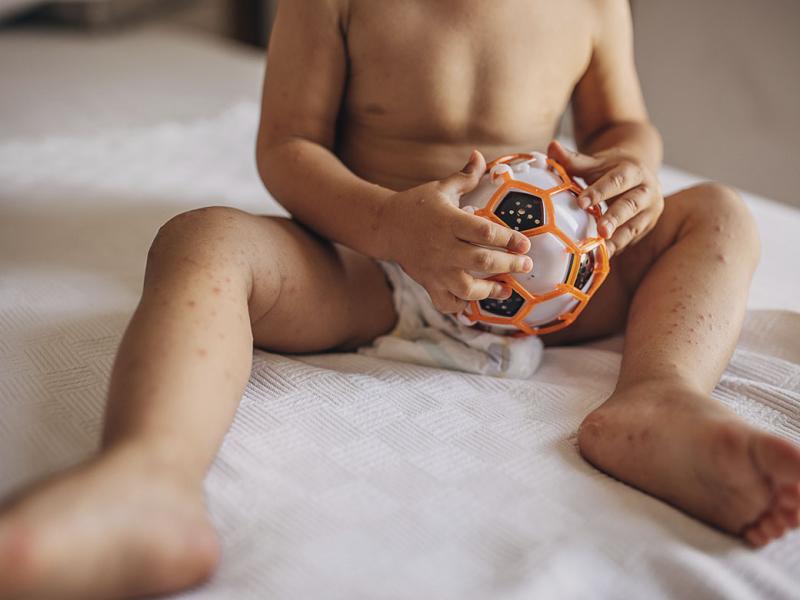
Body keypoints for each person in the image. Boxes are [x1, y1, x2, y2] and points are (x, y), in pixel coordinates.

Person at [1, 1, 799, 598]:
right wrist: (389, 225)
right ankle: (153, 477)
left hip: (559, 281)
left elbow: (624, 121)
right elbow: (286, 147)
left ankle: (659, 398)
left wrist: (628, 167)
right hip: (372, 269)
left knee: (716, 214)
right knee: (206, 240)